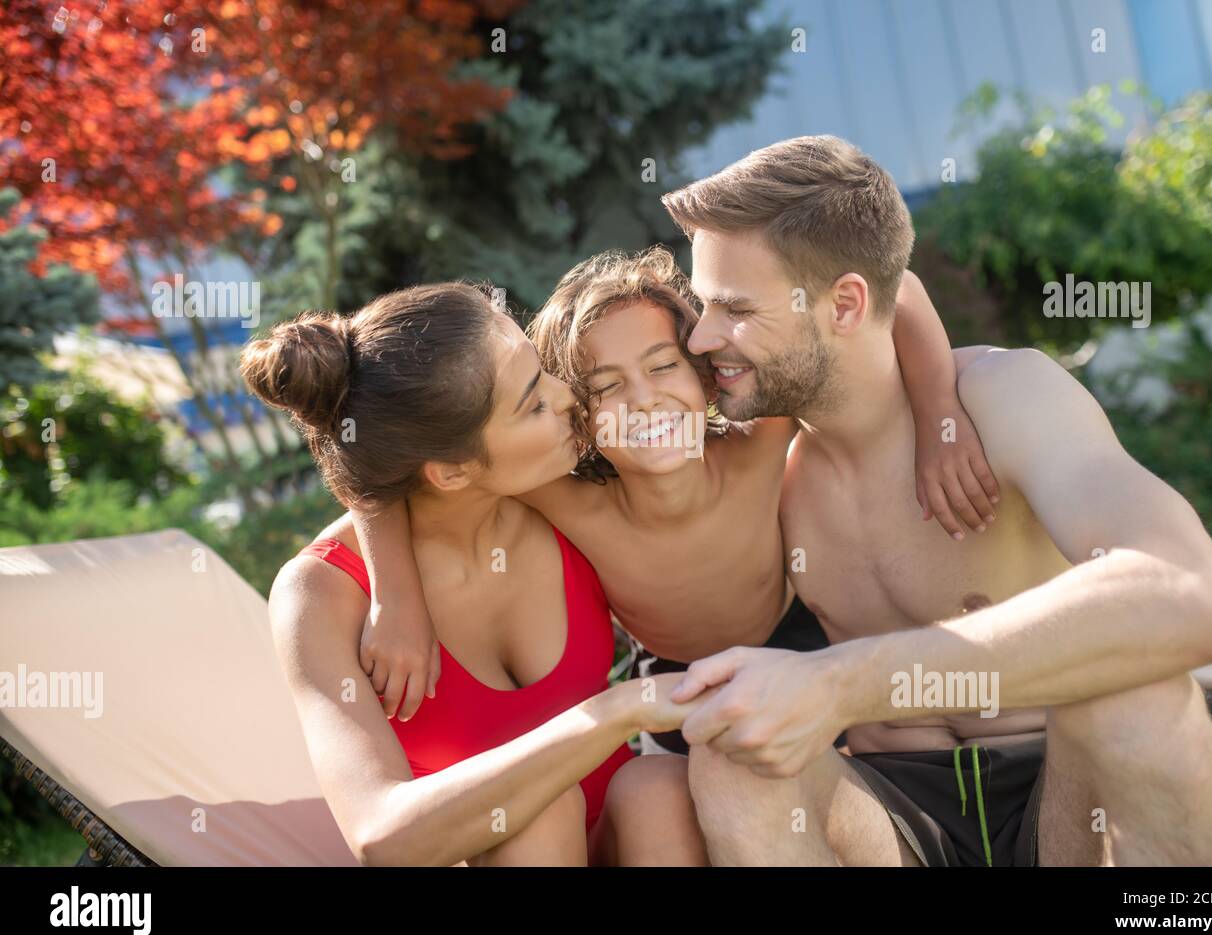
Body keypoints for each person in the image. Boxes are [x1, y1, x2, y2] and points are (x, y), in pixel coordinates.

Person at [660, 134, 1212, 866]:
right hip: (895, 814)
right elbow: (900, 291)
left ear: (845, 305)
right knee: (729, 758)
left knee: (1129, 690)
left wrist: (839, 681)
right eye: (702, 306)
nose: (700, 338)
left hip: (1064, 798)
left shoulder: (1002, 399)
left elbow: (1195, 597)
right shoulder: (767, 469)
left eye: (733, 309)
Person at [352, 246, 999, 768]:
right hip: (671, 688)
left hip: (800, 646)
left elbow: (900, 288)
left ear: (706, 375)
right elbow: (380, 476)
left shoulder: (760, 444)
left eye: (664, 367)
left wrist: (940, 413)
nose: (642, 400)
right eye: (606, 387)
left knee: (869, 773)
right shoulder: (565, 496)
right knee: (690, 806)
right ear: (579, 417)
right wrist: (395, 599)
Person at [241, 284, 711, 866]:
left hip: (629, 842)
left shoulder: (558, 492)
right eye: (534, 403)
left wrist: (399, 592)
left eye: (545, 375)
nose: (571, 397)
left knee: (657, 789)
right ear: (453, 471)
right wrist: (619, 710)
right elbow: (380, 837)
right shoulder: (323, 593)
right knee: (535, 813)